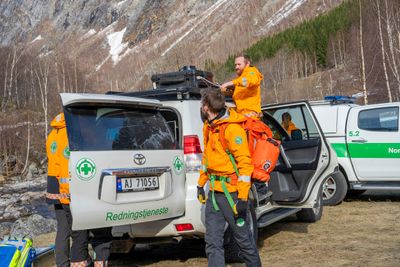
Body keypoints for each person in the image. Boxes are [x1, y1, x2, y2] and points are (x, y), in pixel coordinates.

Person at [197, 89, 262, 267]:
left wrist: (242, 198)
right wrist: (201, 183)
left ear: (205, 107)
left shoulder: (232, 129)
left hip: (232, 196)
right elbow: (207, 159)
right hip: (214, 195)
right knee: (212, 243)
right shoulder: (209, 128)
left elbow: (245, 166)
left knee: (244, 241)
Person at [46, 112, 90, 267]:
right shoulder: (70, 133)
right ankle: (79, 261)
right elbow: (68, 161)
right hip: (67, 186)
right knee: (77, 228)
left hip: (53, 183)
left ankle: (62, 263)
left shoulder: (52, 133)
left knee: (63, 228)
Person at [220, 55, 263, 119]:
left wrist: (231, 83)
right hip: (242, 115)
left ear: (247, 63)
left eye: (239, 64)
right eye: (235, 65)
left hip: (251, 116)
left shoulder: (252, 72)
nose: (236, 67)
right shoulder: (241, 78)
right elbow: (240, 91)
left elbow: (249, 81)